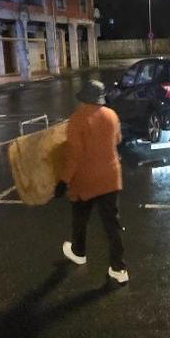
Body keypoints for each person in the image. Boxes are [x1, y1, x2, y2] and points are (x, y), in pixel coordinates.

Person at [58, 80, 129, 284]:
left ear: (84, 98)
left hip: (86, 179)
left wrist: (63, 180)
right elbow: (117, 140)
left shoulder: (77, 119)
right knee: (112, 224)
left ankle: (79, 252)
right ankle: (119, 268)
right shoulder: (112, 115)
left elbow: (73, 155)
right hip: (110, 176)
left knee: (80, 217)